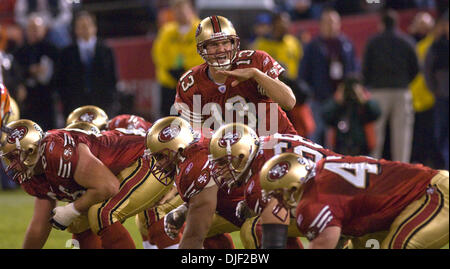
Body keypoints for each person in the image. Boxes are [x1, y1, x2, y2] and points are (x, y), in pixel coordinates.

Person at [0, 118, 174, 248]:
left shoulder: (58, 151)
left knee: (101, 214)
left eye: (13, 157)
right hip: (119, 171)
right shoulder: (32, 177)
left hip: (151, 158)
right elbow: (41, 223)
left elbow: (107, 187)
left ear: (30, 150)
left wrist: (72, 209)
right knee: (78, 223)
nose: (11, 165)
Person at [258, 152, 449, 249]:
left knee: (399, 246)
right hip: (415, 198)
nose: (276, 202)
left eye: (278, 194)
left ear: (294, 186)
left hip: (436, 193)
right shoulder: (323, 171)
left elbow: (325, 242)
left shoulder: (314, 200)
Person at [208, 122, 342, 249]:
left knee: (255, 227)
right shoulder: (268, 145)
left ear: (242, 155)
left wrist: (252, 205)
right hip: (347, 188)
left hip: (338, 206)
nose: (221, 170)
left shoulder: (262, 174)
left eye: (224, 162)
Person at [173, 15, 297, 137]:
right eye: (214, 44)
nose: (221, 49)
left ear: (234, 43)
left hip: (277, 146)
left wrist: (256, 74)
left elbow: (289, 102)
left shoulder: (256, 60)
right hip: (231, 153)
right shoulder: (191, 83)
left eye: (225, 42)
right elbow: (196, 138)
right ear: (202, 49)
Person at [145, 116, 243, 249]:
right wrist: (184, 210)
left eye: (160, 157)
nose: (157, 165)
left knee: (252, 230)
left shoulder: (194, 165)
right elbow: (215, 189)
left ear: (178, 148)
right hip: (248, 199)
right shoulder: (197, 139)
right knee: (205, 229)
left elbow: (194, 236)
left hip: (263, 201)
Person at [362, 9, 418, 163]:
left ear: (381, 24)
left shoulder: (373, 42)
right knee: (402, 136)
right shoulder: (406, 41)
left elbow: (365, 69)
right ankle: (401, 171)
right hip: (401, 92)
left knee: (376, 136)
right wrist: (404, 81)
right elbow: (416, 68)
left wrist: (370, 84)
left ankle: (372, 170)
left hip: (379, 92)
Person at [298, 8, 359, 145]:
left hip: (341, 100)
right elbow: (303, 73)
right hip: (318, 100)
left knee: (339, 138)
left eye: (334, 22)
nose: (331, 25)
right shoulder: (313, 46)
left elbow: (354, 69)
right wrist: (311, 93)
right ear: (321, 25)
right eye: (328, 22)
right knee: (316, 137)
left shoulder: (346, 44)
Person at [56, 11, 118, 119]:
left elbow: (112, 79)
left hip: (102, 106)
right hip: (75, 107)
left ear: (95, 28)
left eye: (88, 25)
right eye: (81, 26)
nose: (85, 29)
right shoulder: (66, 53)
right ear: (75, 30)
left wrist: (111, 103)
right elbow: (62, 81)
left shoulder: (106, 50)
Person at [152, 0, 203, 117]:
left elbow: (202, 54)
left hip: (193, 85)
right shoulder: (166, 31)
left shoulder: (201, 29)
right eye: (175, 8)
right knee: (168, 120)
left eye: (182, 8)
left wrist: (184, 71)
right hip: (169, 84)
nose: (179, 12)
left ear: (191, 9)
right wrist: (171, 69)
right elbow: (159, 54)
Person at [13, 13, 59, 131]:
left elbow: (59, 74)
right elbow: (15, 74)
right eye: (31, 28)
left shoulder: (52, 49)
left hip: (47, 97)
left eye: (36, 28)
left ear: (43, 30)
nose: (34, 31)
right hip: (28, 99)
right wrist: (30, 71)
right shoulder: (19, 51)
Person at [322, 76, 380, 156]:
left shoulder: (363, 105)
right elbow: (325, 115)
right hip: (339, 150)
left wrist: (362, 98)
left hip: (362, 151)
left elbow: (376, 113)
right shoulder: (339, 104)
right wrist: (337, 100)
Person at [424, 10, 449, 170]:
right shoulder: (437, 46)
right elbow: (427, 70)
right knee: (442, 133)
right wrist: (435, 89)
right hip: (442, 97)